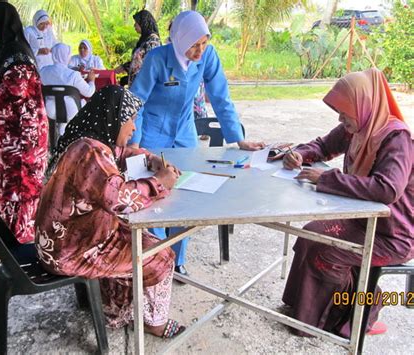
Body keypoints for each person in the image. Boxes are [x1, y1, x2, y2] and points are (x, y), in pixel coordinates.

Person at [35, 85, 185, 338]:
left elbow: (116, 155)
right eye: (130, 120)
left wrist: (148, 158)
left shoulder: (86, 139)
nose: (134, 128)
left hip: (59, 239)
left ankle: (112, 307)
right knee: (161, 256)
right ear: (113, 117)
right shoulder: (91, 152)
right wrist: (160, 182)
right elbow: (120, 201)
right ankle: (154, 322)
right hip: (72, 249)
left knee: (136, 238)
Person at [129, 11, 265, 275]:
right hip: (153, 132)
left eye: (204, 42)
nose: (199, 49)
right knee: (155, 195)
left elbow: (221, 96)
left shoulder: (208, 57)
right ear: (179, 40)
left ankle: (177, 260)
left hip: (184, 132)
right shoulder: (157, 59)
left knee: (185, 194)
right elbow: (137, 101)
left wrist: (238, 138)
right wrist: (134, 145)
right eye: (194, 44)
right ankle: (157, 258)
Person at [281, 68, 413, 338]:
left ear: (364, 104)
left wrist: (328, 179)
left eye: (344, 112)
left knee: (327, 253)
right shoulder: (358, 127)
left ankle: (348, 318)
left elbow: (387, 189)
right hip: (362, 220)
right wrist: (299, 154)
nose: (341, 119)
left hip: (392, 235)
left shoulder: (397, 139)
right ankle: (300, 311)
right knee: (309, 234)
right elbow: (323, 145)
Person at [0, 2, 48, 244]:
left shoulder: (18, 54)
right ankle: (11, 243)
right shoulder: (6, 51)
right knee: (10, 192)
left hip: (22, 142)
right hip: (11, 140)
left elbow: (15, 93)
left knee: (20, 192)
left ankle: (19, 250)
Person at [40, 43, 96, 137]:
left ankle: (60, 133)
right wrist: (91, 81)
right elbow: (89, 93)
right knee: (84, 103)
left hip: (49, 111)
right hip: (71, 111)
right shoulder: (73, 75)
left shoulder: (43, 71)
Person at [115, 10, 161, 87]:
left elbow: (147, 65)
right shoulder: (145, 39)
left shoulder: (153, 41)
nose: (134, 25)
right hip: (138, 85)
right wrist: (124, 68)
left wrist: (125, 69)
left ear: (143, 23)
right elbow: (138, 61)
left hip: (145, 87)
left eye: (136, 23)